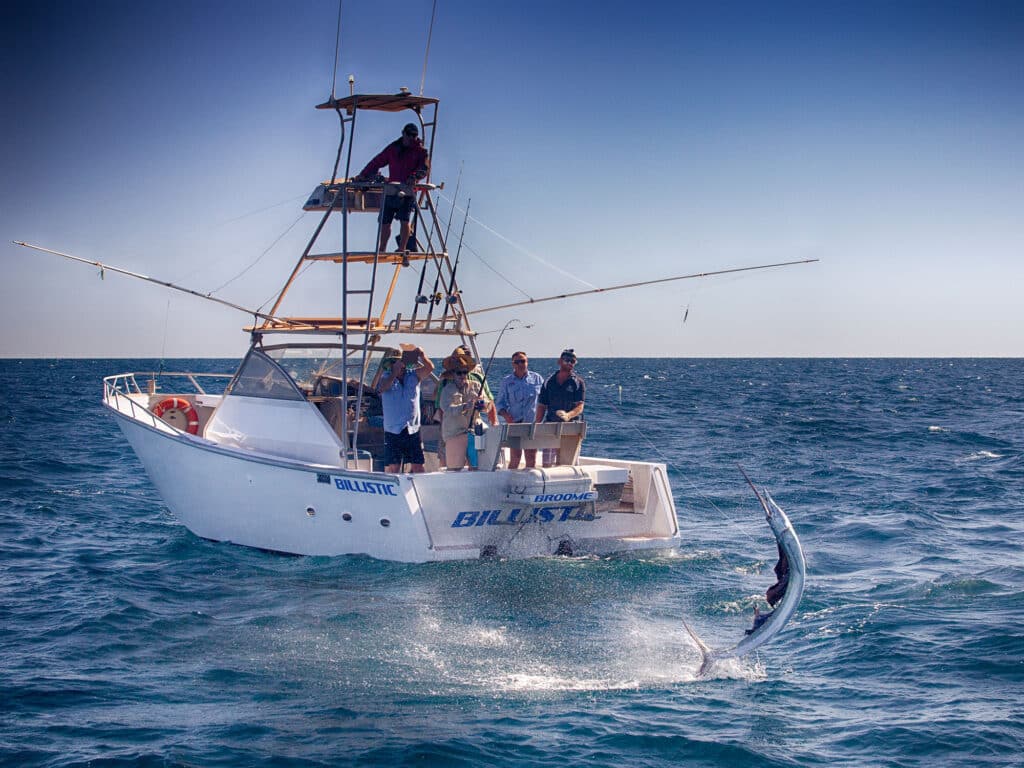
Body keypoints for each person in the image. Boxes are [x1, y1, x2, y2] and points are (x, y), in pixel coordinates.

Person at [354, 122, 429, 257]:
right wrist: (363, 175)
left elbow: (424, 169)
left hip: (407, 191)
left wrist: (414, 176)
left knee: (404, 220)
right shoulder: (394, 148)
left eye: (414, 136)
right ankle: (382, 249)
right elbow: (377, 161)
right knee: (385, 221)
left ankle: (402, 248)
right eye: (409, 135)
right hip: (391, 189)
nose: (411, 138)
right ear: (403, 134)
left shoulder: (421, 152)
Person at [377, 345, 434, 473]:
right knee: (393, 467)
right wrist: (394, 373)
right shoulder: (386, 377)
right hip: (393, 431)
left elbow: (429, 368)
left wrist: (422, 355)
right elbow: (381, 388)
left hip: (412, 429)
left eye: (402, 362)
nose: (400, 365)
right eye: (396, 363)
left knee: (418, 465)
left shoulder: (413, 375)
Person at [535, 348, 585, 467]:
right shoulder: (549, 381)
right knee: (547, 464)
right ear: (559, 361)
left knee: (568, 464)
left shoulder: (578, 382)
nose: (569, 363)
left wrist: (568, 415)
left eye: (573, 361)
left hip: (571, 428)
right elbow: (542, 405)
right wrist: (537, 424)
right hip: (551, 426)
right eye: (567, 360)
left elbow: (580, 406)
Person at [438, 360, 492, 471]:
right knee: (454, 469)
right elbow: (447, 409)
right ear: (453, 374)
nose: (462, 375)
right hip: (454, 433)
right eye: (459, 373)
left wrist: (483, 405)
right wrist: (464, 407)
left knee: (476, 467)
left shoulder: (476, 386)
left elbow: (488, 405)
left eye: (465, 372)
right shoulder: (446, 390)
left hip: (474, 432)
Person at [495, 351, 544, 469]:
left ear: (527, 362)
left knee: (531, 457)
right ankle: (512, 484)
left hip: (532, 424)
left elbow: (545, 401)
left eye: (523, 361)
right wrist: (506, 416)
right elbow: (499, 404)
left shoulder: (537, 379)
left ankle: (529, 485)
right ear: (513, 364)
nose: (520, 364)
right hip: (514, 423)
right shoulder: (507, 381)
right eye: (517, 362)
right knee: (515, 457)